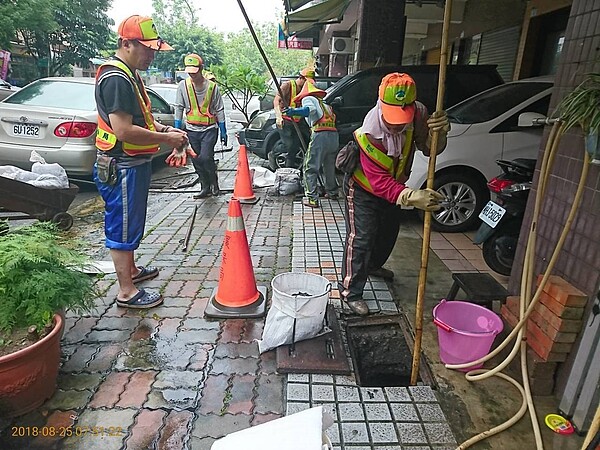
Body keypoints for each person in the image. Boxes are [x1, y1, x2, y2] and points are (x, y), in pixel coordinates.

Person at [94, 15, 188, 309]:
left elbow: (141, 120)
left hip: (131, 163)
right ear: (126, 44)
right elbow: (122, 130)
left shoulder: (130, 74)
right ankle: (126, 291)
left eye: (154, 49)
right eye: (147, 48)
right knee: (122, 227)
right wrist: (167, 141)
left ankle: (132, 271)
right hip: (120, 165)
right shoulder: (117, 79)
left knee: (131, 223)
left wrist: (165, 130)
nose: (152, 54)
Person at [338, 73, 450, 316]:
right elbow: (379, 184)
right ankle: (350, 291)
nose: (396, 125)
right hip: (362, 189)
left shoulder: (418, 113)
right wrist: (413, 197)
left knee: (387, 234)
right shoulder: (369, 132)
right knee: (361, 239)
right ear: (380, 105)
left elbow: (430, 149)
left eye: (402, 119)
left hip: (396, 187)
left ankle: (374, 266)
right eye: (392, 119)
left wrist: (440, 133)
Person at [174, 53, 227, 198]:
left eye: (195, 72)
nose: (192, 76)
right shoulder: (182, 86)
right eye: (189, 73)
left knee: (206, 157)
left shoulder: (212, 87)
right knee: (196, 158)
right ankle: (205, 187)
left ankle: (214, 183)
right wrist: (176, 130)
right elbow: (178, 107)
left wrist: (223, 131)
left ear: (201, 68)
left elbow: (219, 109)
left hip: (209, 130)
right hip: (191, 129)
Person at [282, 80, 339, 208]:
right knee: (329, 166)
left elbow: (310, 110)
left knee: (310, 167)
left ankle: (312, 198)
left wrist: (294, 111)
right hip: (333, 136)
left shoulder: (308, 98)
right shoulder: (325, 104)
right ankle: (332, 192)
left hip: (320, 135)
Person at [273, 68, 313, 168]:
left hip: (298, 122)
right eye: (307, 82)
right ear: (302, 78)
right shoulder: (288, 85)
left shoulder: (306, 90)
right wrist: (278, 116)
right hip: (286, 121)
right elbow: (276, 100)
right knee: (289, 145)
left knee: (297, 146)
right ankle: (274, 154)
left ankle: (290, 168)